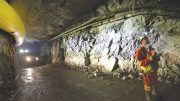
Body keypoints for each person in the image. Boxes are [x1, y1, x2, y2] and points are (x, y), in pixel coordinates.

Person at [136, 36, 160, 101]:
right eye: (144, 41)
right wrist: (149, 59)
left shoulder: (150, 49)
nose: (146, 42)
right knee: (148, 84)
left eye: (146, 40)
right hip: (147, 71)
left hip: (153, 69)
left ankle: (155, 94)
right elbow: (138, 63)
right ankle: (148, 97)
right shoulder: (139, 51)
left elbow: (156, 58)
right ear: (141, 42)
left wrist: (156, 56)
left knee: (155, 82)